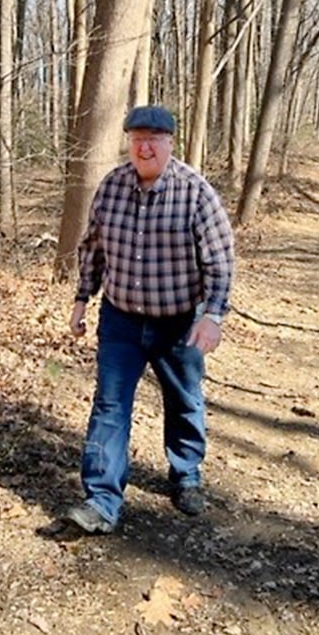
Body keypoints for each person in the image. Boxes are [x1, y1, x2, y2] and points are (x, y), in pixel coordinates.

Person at [65, 105, 235, 534]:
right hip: (120, 319)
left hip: (178, 322)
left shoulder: (196, 193)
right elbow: (93, 248)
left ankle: (186, 476)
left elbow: (219, 260)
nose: (145, 147)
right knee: (109, 405)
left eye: (154, 140)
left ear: (170, 143)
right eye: (137, 138)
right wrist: (83, 298)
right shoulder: (112, 187)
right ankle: (101, 500)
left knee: (184, 399)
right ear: (129, 142)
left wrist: (213, 316)